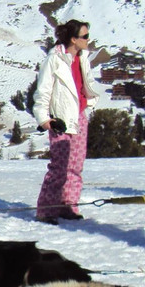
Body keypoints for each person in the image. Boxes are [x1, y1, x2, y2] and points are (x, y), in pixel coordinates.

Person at [32, 19, 99, 224]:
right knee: (59, 166)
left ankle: (68, 204)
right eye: (85, 36)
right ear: (73, 39)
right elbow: (43, 91)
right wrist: (44, 119)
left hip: (79, 116)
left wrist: (90, 102)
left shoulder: (83, 57)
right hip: (59, 118)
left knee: (76, 165)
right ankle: (47, 209)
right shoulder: (54, 59)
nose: (88, 40)